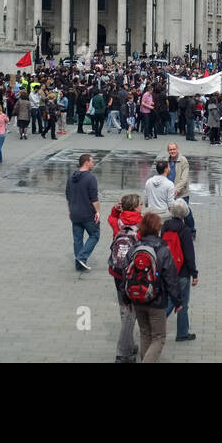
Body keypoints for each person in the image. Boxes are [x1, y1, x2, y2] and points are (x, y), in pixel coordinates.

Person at [124, 211, 184, 363]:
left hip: (137, 298)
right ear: (157, 228)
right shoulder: (162, 250)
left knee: (145, 333)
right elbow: (171, 278)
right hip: (156, 300)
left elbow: (126, 275)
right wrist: (177, 302)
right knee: (159, 337)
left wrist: (126, 299)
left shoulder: (134, 249)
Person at [108, 193, 143, 363]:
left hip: (117, 272)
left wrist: (116, 209)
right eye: (140, 204)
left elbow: (110, 218)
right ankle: (124, 352)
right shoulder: (141, 223)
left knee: (124, 309)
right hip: (133, 273)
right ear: (136, 207)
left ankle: (129, 344)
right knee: (131, 312)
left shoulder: (118, 222)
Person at [162, 199, 199, 342]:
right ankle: (181, 332)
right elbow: (189, 255)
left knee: (170, 298)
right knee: (180, 301)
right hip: (182, 271)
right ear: (185, 213)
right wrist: (194, 273)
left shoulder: (165, 226)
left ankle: (181, 330)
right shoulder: (185, 231)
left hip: (167, 269)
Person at [65, 153, 100, 271]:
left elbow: (68, 196)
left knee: (77, 238)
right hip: (87, 213)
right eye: (92, 161)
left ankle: (79, 265)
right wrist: (98, 211)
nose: (93, 163)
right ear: (86, 162)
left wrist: (70, 210)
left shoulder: (71, 177)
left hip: (75, 213)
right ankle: (82, 257)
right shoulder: (90, 178)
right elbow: (94, 198)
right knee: (95, 235)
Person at [160, 143, 194, 233]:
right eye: (170, 150)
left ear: (177, 149)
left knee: (186, 213)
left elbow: (184, 178)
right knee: (170, 213)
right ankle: (172, 231)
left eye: (174, 149)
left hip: (181, 193)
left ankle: (191, 230)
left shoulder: (183, 161)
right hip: (168, 193)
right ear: (168, 151)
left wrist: (176, 189)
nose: (172, 151)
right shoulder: (165, 160)